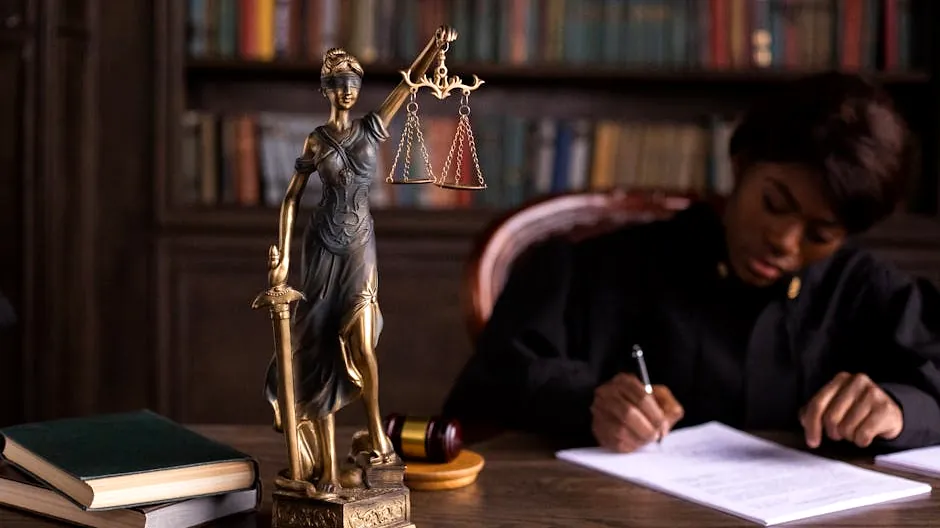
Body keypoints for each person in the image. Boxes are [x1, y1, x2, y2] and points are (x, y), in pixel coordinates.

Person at [442, 72, 940, 453]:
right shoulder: (597, 268)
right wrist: (588, 402)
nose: (784, 242)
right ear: (741, 166)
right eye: (774, 203)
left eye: (820, 234)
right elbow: (489, 387)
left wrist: (899, 409)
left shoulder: (868, 292)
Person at [261, 27, 458, 493]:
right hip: (320, 250)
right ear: (325, 89)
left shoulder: (373, 125)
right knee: (321, 349)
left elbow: (410, 82)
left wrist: (436, 45)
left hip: (359, 248)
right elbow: (291, 199)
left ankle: (376, 434)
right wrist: (283, 258)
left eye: (353, 82)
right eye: (338, 83)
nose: (347, 90)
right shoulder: (315, 140)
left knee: (363, 342)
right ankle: (327, 464)